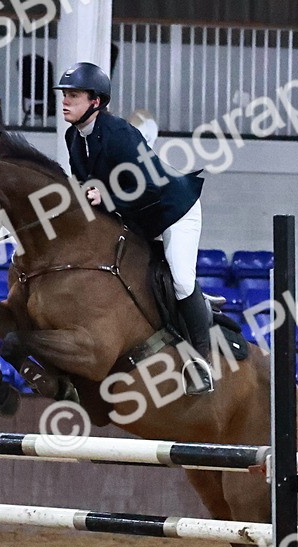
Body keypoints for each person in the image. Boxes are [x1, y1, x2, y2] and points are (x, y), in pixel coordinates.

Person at [55, 62, 214, 395]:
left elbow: (149, 184)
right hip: (136, 216)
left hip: (173, 210)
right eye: (64, 95)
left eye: (73, 96)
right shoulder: (74, 138)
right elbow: (85, 183)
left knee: (182, 279)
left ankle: (203, 361)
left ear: (95, 101)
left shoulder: (119, 133)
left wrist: (107, 196)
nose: (65, 101)